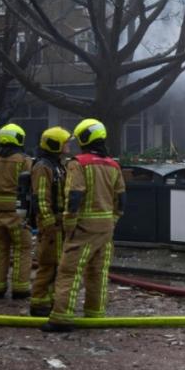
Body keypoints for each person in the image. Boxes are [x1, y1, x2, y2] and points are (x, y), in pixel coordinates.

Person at [42, 119, 125, 333]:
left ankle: (61, 317)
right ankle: (95, 315)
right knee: (98, 271)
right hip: (106, 227)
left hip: (84, 227)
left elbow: (74, 195)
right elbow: (121, 199)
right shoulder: (113, 164)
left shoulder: (78, 163)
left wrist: (69, 224)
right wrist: (113, 220)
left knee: (69, 270)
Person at [0, 123, 33, 300]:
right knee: (22, 249)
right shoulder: (24, 160)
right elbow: (29, 188)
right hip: (18, 213)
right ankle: (20, 289)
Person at [29, 126, 70, 317]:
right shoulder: (43, 166)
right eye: (65, 142)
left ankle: (51, 301)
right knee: (48, 264)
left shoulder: (57, 164)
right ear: (56, 144)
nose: (68, 146)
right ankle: (38, 303)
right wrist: (48, 224)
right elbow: (41, 198)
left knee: (57, 265)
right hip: (51, 224)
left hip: (58, 223)